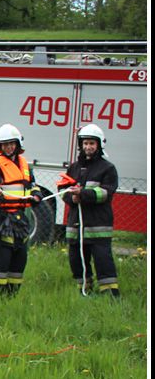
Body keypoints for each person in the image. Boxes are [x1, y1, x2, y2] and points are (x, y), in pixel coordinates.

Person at [0, 124, 43, 296]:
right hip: (0, 221)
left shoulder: (23, 164)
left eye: (11, 143)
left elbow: (31, 184)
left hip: (19, 222)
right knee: (0, 262)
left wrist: (36, 194)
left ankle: (12, 296)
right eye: (4, 144)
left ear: (18, 143)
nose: (8, 147)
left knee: (19, 260)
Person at [60, 123, 120, 297]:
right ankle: (85, 291)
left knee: (103, 262)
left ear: (99, 145)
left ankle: (110, 297)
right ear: (81, 145)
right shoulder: (74, 168)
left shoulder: (107, 168)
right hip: (76, 227)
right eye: (85, 143)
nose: (88, 147)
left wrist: (83, 194)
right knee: (77, 262)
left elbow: (106, 194)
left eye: (92, 144)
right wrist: (72, 198)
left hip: (98, 227)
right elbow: (63, 191)